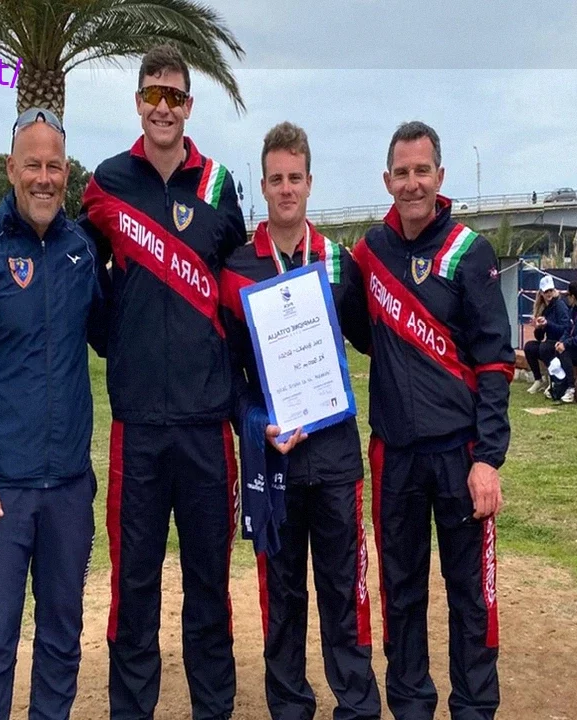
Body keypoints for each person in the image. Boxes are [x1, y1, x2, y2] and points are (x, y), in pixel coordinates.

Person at [0, 46, 246, 720]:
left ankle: (215, 708)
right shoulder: (108, 185)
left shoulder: (221, 187)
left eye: (174, 95)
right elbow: (55, 243)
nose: (163, 107)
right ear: (139, 102)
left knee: (210, 587)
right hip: (137, 429)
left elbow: (245, 279)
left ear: (189, 105)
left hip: (208, 426)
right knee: (133, 590)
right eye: (153, 94)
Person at [0, 107, 108, 720]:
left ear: (68, 173)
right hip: (1, 489)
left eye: (54, 165)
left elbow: (116, 333)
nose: (43, 177)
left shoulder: (83, 251)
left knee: (62, 643)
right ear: (11, 170)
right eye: (31, 164)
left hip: (67, 488)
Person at [217, 122, 382, 719]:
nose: (286, 189)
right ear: (263, 186)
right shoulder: (236, 268)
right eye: (276, 179)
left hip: (336, 458)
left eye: (296, 178)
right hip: (275, 461)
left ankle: (358, 708)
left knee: (345, 596)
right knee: (282, 601)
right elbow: (228, 376)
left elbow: (373, 340)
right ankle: (290, 708)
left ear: (310, 183)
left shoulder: (337, 261)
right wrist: (255, 420)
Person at [350, 121, 514, 720]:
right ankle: (411, 706)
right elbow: (352, 325)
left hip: (460, 453)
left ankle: (474, 708)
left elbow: (496, 362)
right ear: (387, 180)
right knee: (402, 590)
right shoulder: (370, 251)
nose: (413, 183)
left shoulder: (470, 251)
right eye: (402, 172)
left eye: (423, 171)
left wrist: (487, 459)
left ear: (439, 177)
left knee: (472, 595)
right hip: (394, 453)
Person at [541, 280, 577, 404]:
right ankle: (557, 384)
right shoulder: (573, 310)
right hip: (575, 347)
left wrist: (566, 344)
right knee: (555, 349)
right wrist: (561, 342)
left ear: (574, 297)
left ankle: (571, 388)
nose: (567, 298)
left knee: (565, 352)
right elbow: (567, 330)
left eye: (568, 295)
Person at [522, 274, 570, 394]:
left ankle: (554, 380)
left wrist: (548, 324)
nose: (549, 294)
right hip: (549, 342)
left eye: (551, 290)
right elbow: (539, 337)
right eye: (546, 291)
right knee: (529, 347)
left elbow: (565, 329)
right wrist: (539, 328)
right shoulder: (543, 309)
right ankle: (538, 379)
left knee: (544, 348)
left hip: (560, 341)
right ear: (541, 293)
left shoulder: (560, 306)